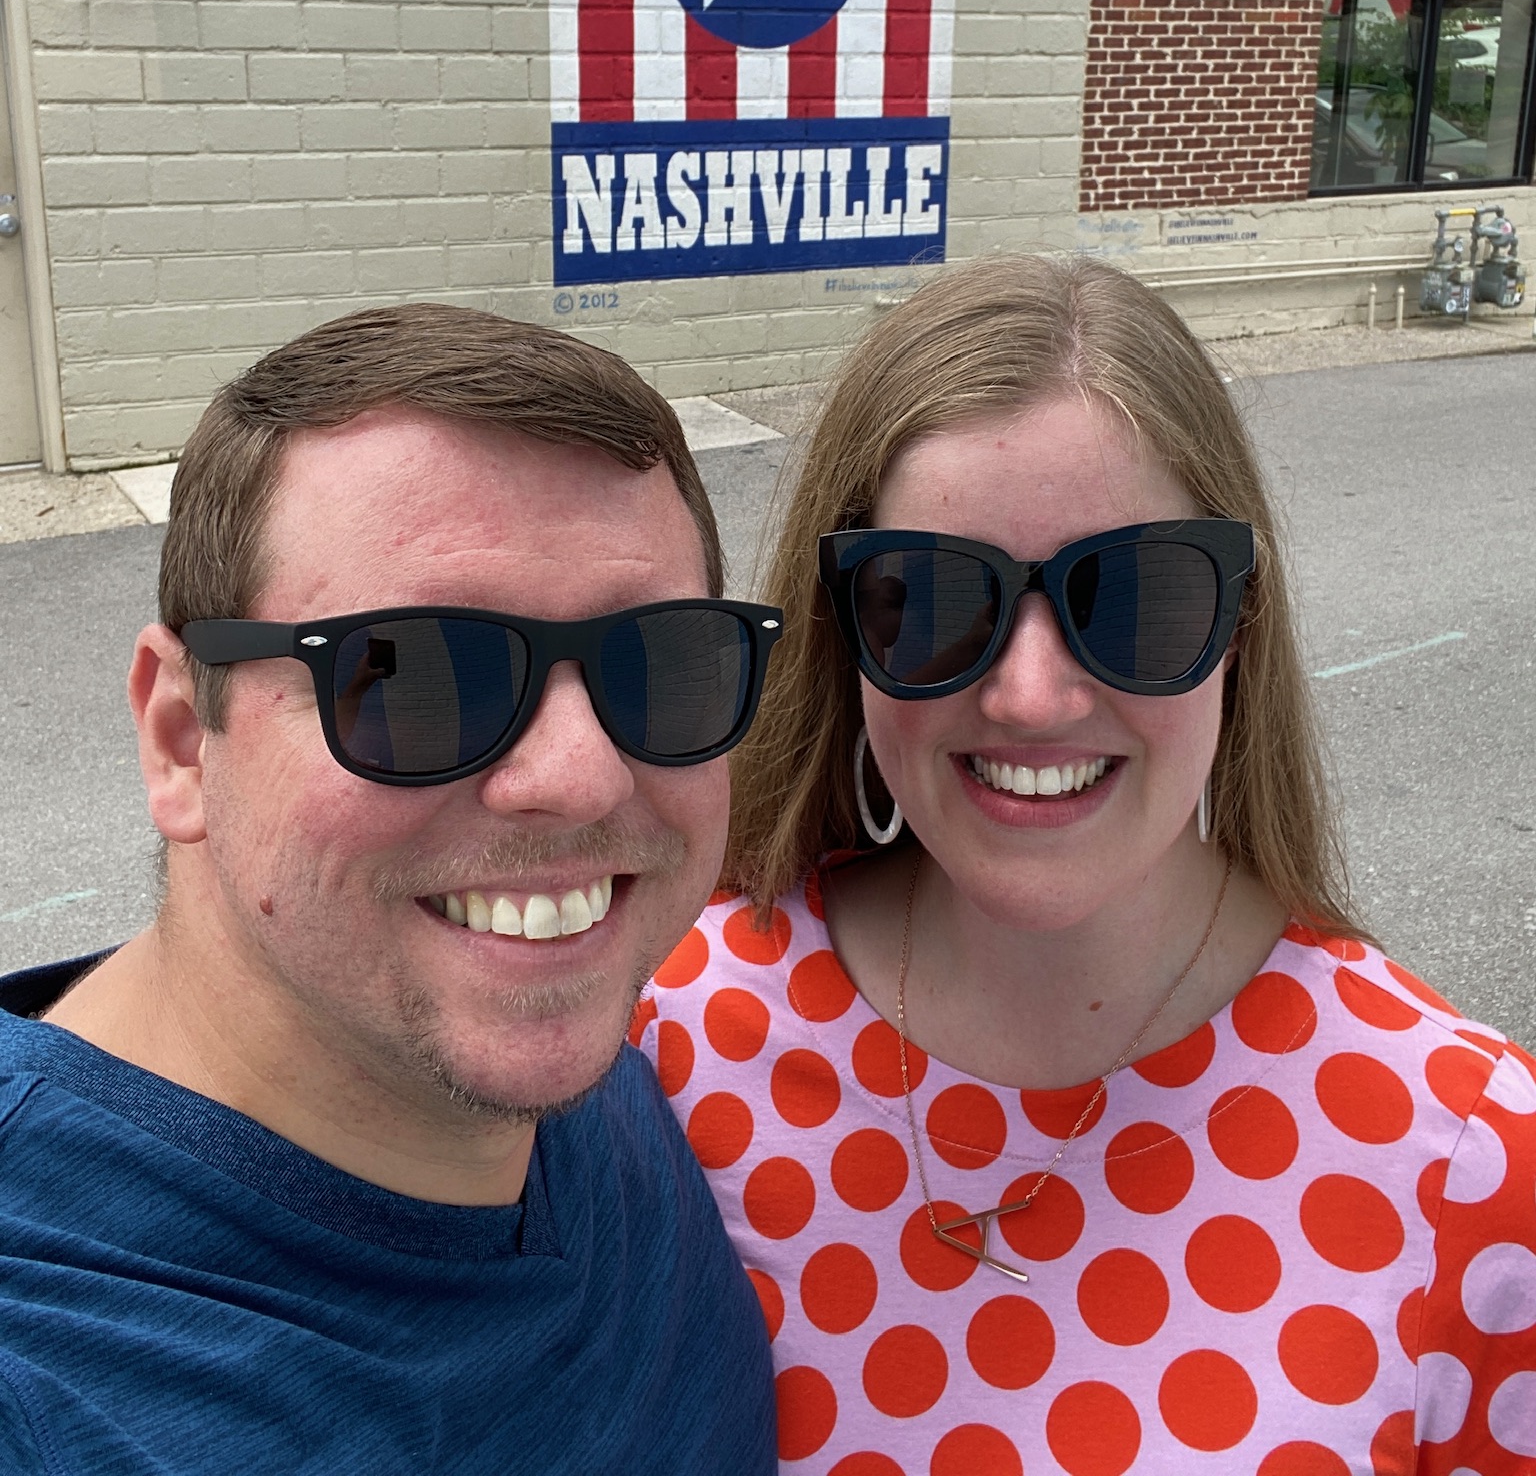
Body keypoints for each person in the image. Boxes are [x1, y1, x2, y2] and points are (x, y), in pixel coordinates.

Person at [637, 257, 1536, 1475]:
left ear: (1240, 625)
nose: (1030, 692)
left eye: (1137, 596)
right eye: (935, 598)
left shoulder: (1472, 1161)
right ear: (845, 628)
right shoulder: (665, 1037)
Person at [0, 304, 781, 1475]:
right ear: (179, 738)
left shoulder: (604, 1054)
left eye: (660, 663)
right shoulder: (52, 1377)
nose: (576, 774)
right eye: (417, 675)